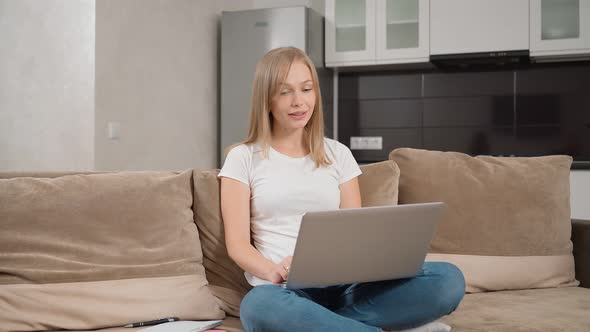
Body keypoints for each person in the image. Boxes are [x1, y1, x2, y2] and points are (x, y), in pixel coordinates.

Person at [218, 47, 465, 332]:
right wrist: (273, 271)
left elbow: (353, 232)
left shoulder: (338, 154)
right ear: (267, 98)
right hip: (284, 291)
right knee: (258, 307)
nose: (299, 102)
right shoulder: (243, 157)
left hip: (347, 289)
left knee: (448, 279)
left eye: (306, 89)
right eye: (285, 92)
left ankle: (329, 325)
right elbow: (237, 245)